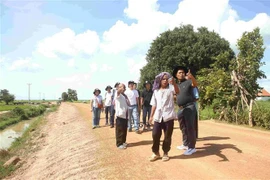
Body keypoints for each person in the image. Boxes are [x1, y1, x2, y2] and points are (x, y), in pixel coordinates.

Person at [149, 72, 179, 162]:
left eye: (167, 79)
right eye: (163, 79)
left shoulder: (171, 88)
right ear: (160, 80)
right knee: (155, 135)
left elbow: (177, 92)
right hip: (158, 117)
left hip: (168, 116)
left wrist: (174, 83)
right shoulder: (156, 91)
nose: (165, 80)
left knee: (167, 136)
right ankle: (156, 153)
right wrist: (151, 116)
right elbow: (154, 104)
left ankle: (165, 153)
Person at [173, 66, 198, 155]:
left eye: (183, 72)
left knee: (190, 127)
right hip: (181, 109)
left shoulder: (188, 82)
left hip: (189, 107)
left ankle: (192, 147)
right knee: (183, 127)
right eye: (179, 73)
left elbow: (195, 84)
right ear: (176, 75)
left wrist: (192, 77)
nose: (181, 74)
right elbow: (175, 96)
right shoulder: (177, 85)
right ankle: (185, 144)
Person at [114, 83, 130, 149]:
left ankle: (123, 142)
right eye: (120, 87)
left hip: (125, 115)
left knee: (124, 130)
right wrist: (120, 89)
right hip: (120, 115)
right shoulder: (118, 94)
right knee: (119, 130)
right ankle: (119, 143)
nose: (122, 88)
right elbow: (118, 92)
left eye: (123, 87)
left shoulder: (125, 96)